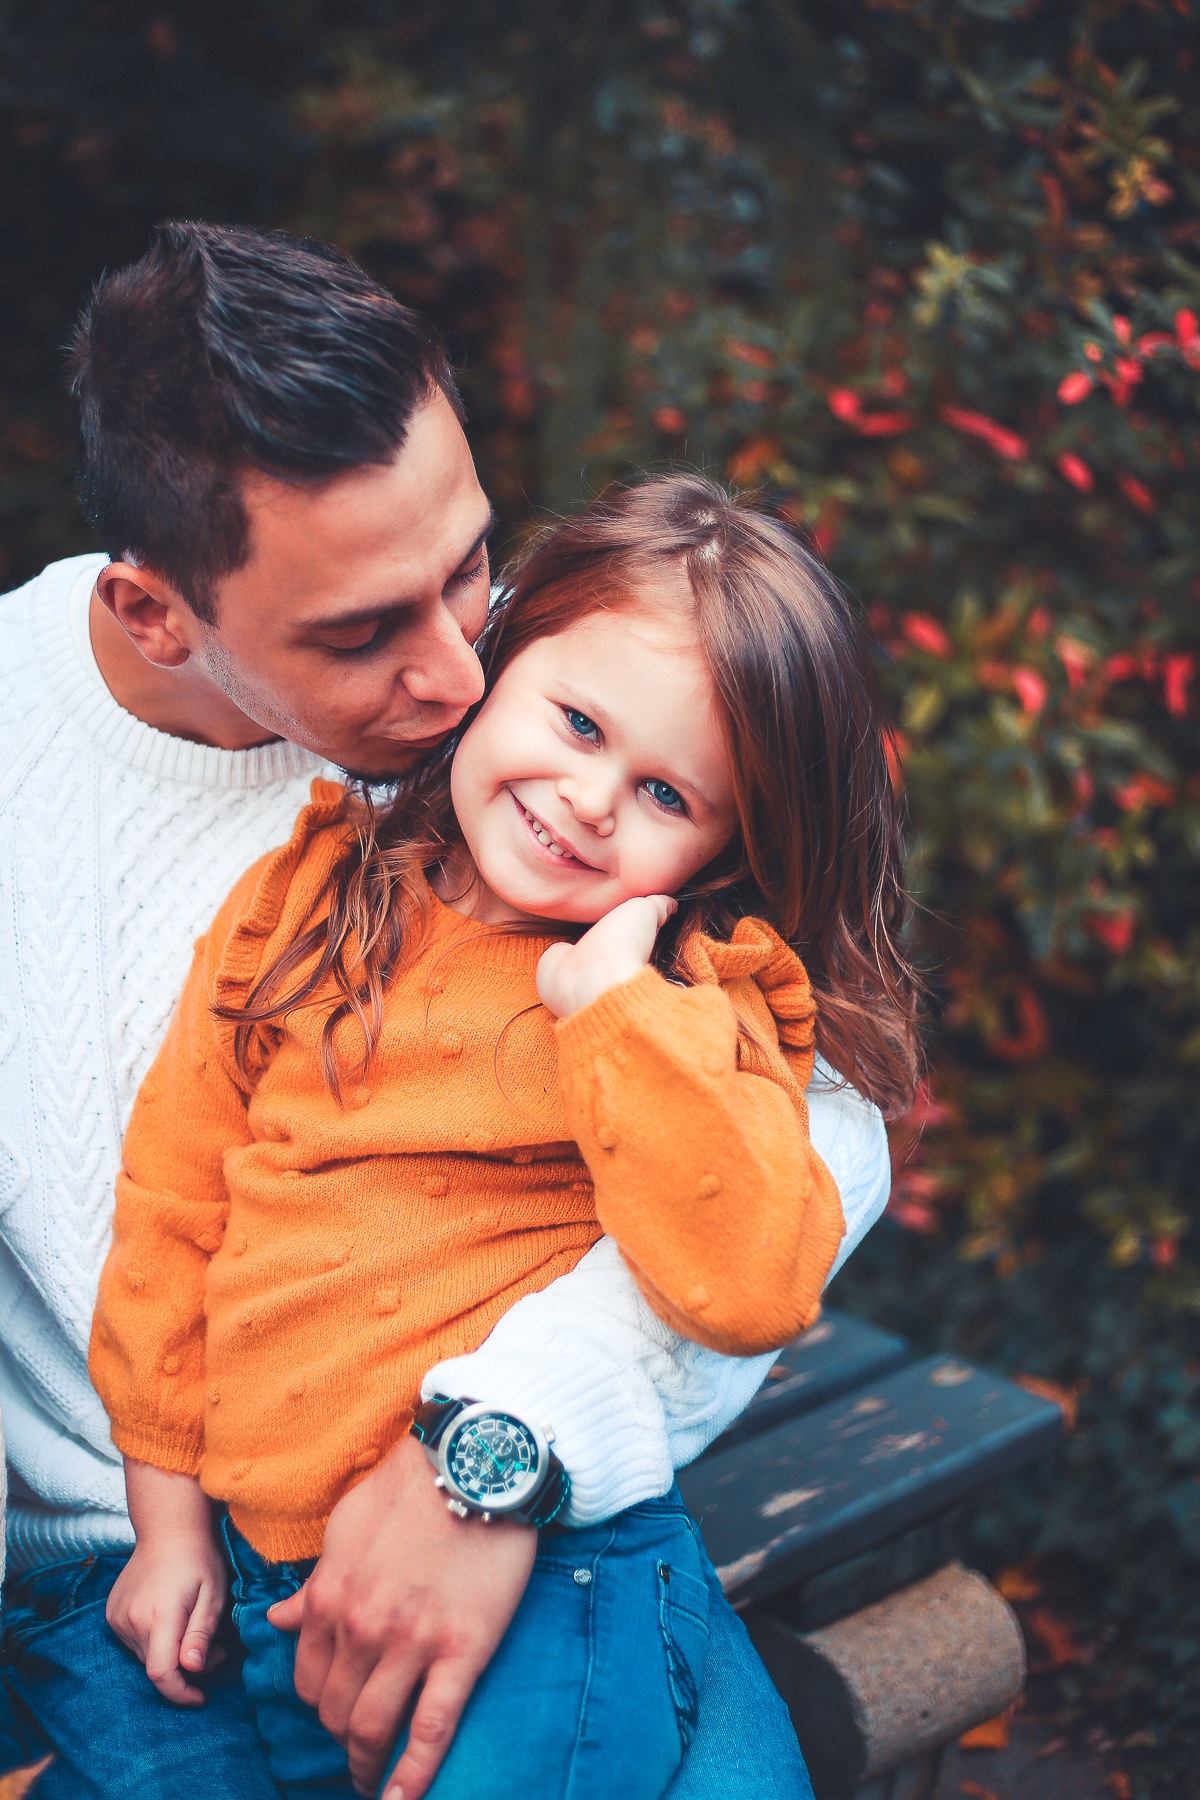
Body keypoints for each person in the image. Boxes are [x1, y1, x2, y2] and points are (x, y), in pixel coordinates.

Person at [0, 222, 893, 1800]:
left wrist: (505, 1446)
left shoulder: (562, 696)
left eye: (470, 566)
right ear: (155, 613)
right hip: (148, 1572)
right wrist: (161, 1519)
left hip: (538, 1517)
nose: (460, 671)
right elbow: (173, 1195)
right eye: (362, 635)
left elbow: (825, 1141)